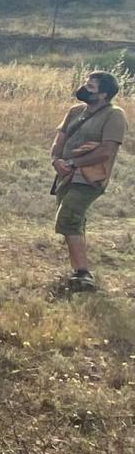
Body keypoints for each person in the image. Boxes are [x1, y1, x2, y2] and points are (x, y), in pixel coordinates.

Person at [50, 71, 125, 291]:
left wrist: (72, 162)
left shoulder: (114, 115)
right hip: (66, 175)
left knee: (68, 218)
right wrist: (56, 160)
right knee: (73, 221)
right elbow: (59, 140)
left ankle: (83, 273)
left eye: (90, 87)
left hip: (90, 178)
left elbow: (107, 151)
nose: (84, 88)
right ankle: (78, 270)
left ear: (103, 94)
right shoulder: (75, 111)